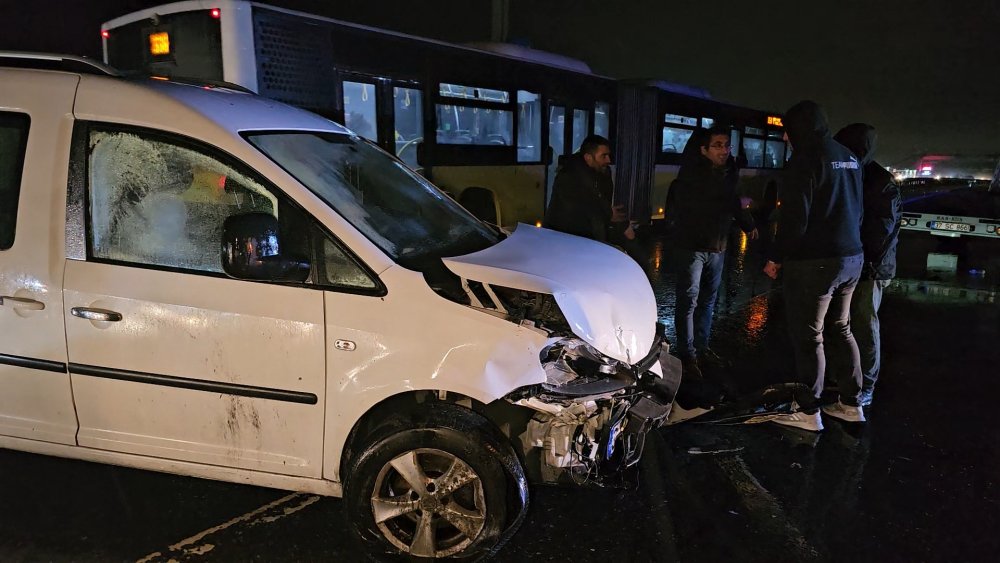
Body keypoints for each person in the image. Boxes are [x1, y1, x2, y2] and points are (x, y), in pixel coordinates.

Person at [763, 100, 865, 431]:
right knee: (842, 329)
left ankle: (808, 411)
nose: (785, 139)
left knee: (810, 337)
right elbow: (858, 211)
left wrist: (777, 257)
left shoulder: (806, 159)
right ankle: (851, 404)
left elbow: (795, 219)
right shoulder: (849, 156)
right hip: (852, 257)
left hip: (816, 263)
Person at [668, 126, 758, 378]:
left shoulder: (729, 174)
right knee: (689, 301)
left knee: (707, 302)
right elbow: (690, 209)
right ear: (703, 150)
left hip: (717, 248)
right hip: (692, 248)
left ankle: (702, 347)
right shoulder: (690, 177)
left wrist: (748, 224)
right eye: (717, 145)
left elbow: (734, 201)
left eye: (727, 145)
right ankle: (687, 355)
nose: (724, 150)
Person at [833, 123, 902, 407]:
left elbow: (880, 232)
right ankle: (848, 379)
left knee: (863, 325)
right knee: (845, 325)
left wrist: (857, 258)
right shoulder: (855, 173)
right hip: (853, 264)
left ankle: (866, 386)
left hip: (870, 268)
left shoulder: (878, 181)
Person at [544, 134, 636, 249]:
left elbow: (602, 202)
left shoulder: (602, 172)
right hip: (566, 240)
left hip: (588, 239)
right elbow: (586, 207)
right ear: (588, 157)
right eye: (604, 156)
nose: (608, 160)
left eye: (608, 155)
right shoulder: (570, 176)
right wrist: (614, 218)